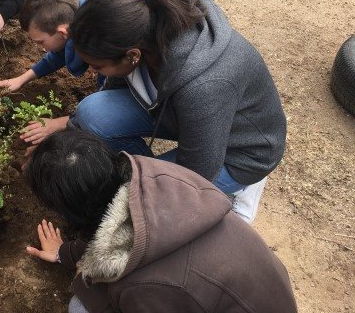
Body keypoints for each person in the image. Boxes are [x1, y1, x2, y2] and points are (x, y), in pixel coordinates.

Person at [68, 0, 287, 223]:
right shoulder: (142, 27)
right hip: (189, 117)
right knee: (93, 113)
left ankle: (239, 190)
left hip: (239, 151)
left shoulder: (204, 86)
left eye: (98, 66)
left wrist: (147, 190)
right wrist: (70, 132)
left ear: (132, 55)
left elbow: (196, 174)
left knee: (148, 199)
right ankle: (143, 174)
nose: (92, 71)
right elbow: (118, 82)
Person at [24, 131, 298, 313]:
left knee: (80, 308)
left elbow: (132, 288)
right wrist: (65, 254)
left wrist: (86, 279)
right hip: (260, 289)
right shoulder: (152, 177)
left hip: (230, 299)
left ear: (71, 212)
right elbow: (106, 222)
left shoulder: (144, 286)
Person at [0, 0, 90, 145]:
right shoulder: (79, 17)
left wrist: (59, 124)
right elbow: (59, 55)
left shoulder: (100, 45)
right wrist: (21, 80)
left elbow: (107, 109)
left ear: (63, 33)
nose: (40, 48)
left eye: (41, 41)